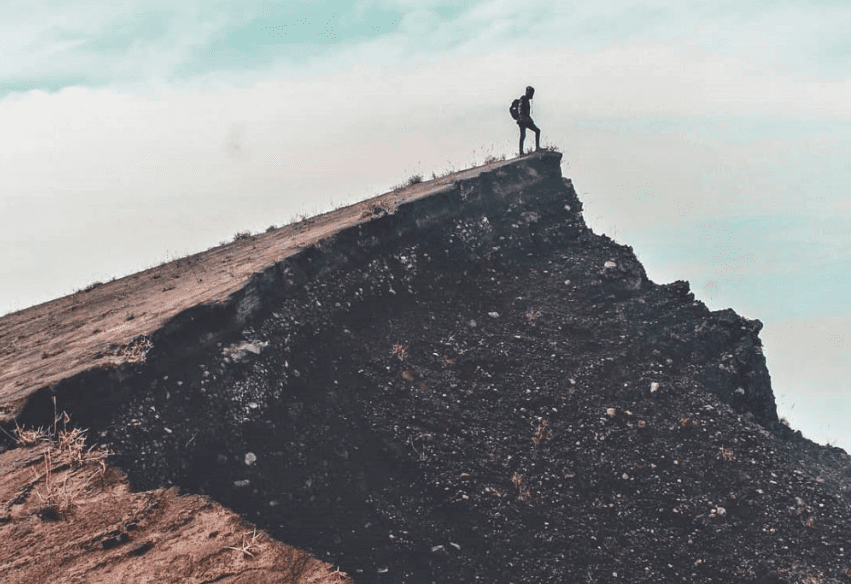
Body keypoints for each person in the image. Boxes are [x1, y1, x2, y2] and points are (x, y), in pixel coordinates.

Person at [516, 85, 540, 155]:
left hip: (526, 120)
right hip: (522, 121)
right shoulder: (523, 99)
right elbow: (520, 110)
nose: (532, 95)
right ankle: (521, 152)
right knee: (523, 135)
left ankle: (537, 148)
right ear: (527, 92)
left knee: (537, 131)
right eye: (531, 93)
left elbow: (526, 113)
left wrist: (529, 119)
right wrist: (525, 119)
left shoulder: (526, 100)